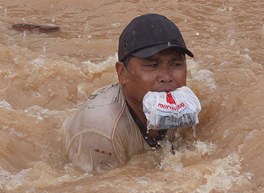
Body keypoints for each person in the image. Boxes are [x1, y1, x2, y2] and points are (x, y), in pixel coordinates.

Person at [61, 13, 195, 173]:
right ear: (122, 73)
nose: (167, 77)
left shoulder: (185, 105)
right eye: (152, 65)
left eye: (176, 64)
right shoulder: (102, 133)